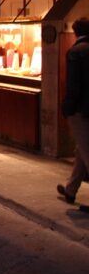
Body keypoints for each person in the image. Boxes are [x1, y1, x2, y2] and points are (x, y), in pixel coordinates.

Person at [57, 17, 89, 208]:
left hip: (81, 110)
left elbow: (74, 86)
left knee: (86, 150)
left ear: (76, 32)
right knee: (81, 150)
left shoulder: (76, 52)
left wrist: (67, 107)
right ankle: (71, 190)